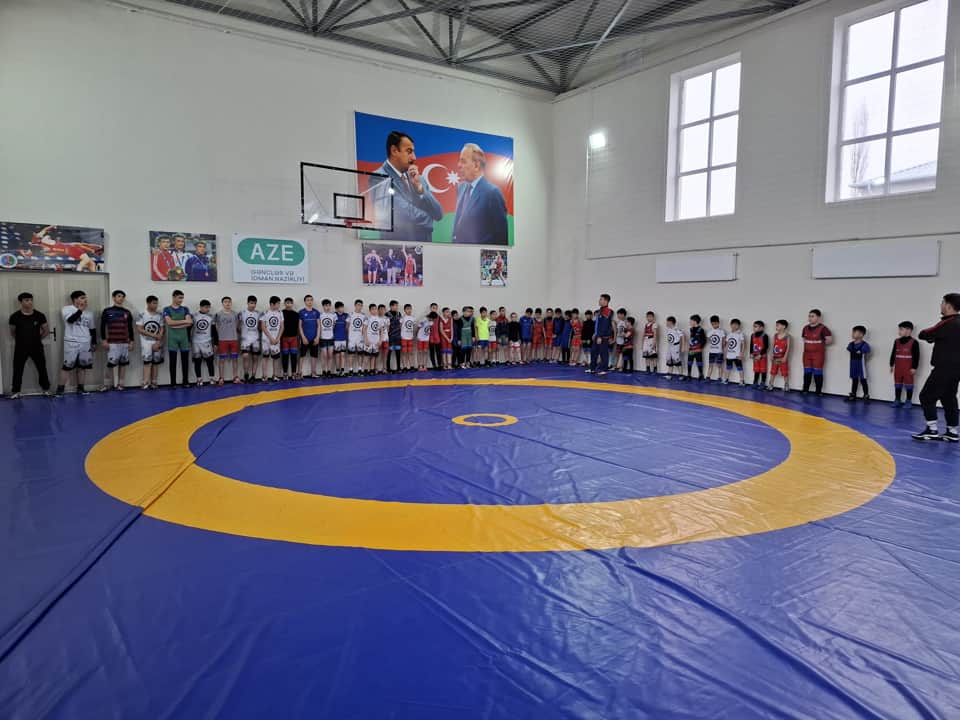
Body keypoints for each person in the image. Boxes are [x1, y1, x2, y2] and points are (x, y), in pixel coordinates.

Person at [372, 131, 443, 244]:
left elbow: (438, 214)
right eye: (409, 151)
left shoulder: (418, 179)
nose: (414, 157)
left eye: (413, 152)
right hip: (396, 248)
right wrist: (430, 218)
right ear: (394, 151)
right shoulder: (379, 177)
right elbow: (401, 211)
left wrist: (420, 189)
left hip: (426, 247)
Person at [912, 293, 960, 442]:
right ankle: (952, 431)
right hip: (956, 369)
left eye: (942, 303)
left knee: (926, 396)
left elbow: (924, 333)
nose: (941, 305)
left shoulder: (947, 322)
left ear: (948, 306)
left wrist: (933, 337)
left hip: (944, 367)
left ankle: (932, 429)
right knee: (949, 398)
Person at [451, 143, 508, 245]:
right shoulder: (461, 187)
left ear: (476, 165)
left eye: (463, 161)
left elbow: (501, 238)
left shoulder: (493, 193)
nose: (459, 165)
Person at [8, 292, 51, 398]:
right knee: (18, 369)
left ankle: (46, 389)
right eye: (27, 300)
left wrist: (37, 339)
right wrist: (21, 340)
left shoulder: (40, 315)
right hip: (21, 347)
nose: (30, 302)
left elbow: (46, 330)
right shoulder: (14, 316)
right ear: (21, 302)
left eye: (31, 300)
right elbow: (13, 332)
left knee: (42, 368)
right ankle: (16, 392)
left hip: (36, 347)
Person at [56, 290, 95, 396]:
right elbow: (70, 320)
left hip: (85, 342)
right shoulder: (67, 309)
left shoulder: (89, 313)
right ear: (75, 299)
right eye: (82, 297)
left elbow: (92, 329)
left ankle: (81, 388)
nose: (85, 300)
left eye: (85, 297)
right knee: (67, 366)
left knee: (83, 367)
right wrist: (80, 310)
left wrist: (94, 342)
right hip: (71, 342)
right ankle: (60, 390)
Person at [100, 290, 135, 391]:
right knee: (110, 364)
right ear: (113, 297)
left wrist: (132, 341)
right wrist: (104, 340)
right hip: (112, 342)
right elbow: (102, 326)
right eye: (119, 296)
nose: (121, 298)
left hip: (124, 342)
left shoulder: (127, 312)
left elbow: (130, 328)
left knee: (123, 364)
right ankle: (106, 384)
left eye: (123, 297)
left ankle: (121, 384)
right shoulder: (107, 311)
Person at [163, 289, 193, 387]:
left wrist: (175, 324)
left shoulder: (185, 309)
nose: (181, 300)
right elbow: (169, 323)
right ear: (173, 297)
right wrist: (184, 322)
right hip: (172, 338)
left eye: (182, 298)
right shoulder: (167, 309)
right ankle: (173, 383)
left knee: (185, 361)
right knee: (173, 361)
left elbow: (190, 322)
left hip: (184, 338)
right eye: (179, 298)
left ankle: (185, 381)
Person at [801, 309, 833, 395]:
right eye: (809, 316)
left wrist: (818, 345)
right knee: (807, 372)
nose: (810, 318)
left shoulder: (823, 328)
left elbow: (830, 340)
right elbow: (804, 339)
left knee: (817, 372)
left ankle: (818, 391)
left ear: (818, 317)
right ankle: (805, 389)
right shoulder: (805, 328)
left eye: (812, 316)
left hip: (818, 355)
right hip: (806, 354)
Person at [889, 321, 920, 408]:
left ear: (908, 330)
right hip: (898, 368)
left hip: (908, 368)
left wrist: (914, 367)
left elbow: (916, 356)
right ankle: (897, 400)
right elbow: (893, 353)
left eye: (901, 329)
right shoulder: (896, 341)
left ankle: (908, 401)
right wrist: (891, 364)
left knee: (909, 385)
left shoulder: (914, 342)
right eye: (899, 329)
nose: (899, 331)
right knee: (897, 384)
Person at [137, 295, 164, 389]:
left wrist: (158, 341)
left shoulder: (159, 315)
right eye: (154, 303)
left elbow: (162, 328)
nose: (156, 305)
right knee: (147, 362)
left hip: (156, 342)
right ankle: (145, 382)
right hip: (146, 342)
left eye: (156, 303)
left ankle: (154, 382)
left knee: (156, 362)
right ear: (148, 303)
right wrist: (154, 335)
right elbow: (140, 329)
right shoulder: (142, 314)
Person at [214, 296, 240, 385]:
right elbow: (216, 326)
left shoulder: (235, 314)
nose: (227, 303)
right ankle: (221, 378)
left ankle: (235, 377)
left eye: (229, 302)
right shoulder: (218, 314)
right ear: (222, 303)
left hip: (233, 339)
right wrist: (221, 334)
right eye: (225, 302)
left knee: (235, 359)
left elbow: (237, 325)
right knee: (222, 360)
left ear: (231, 303)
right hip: (222, 340)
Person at [191, 300, 216, 387]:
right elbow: (189, 328)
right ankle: (199, 379)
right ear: (201, 307)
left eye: (209, 307)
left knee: (210, 361)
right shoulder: (194, 316)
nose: (208, 309)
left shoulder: (211, 316)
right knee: (197, 361)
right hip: (196, 342)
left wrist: (216, 343)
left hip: (207, 341)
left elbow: (214, 330)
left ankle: (212, 378)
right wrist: (188, 340)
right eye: (206, 307)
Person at [588, 294, 614, 376]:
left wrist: (600, 336)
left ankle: (604, 370)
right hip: (597, 335)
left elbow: (605, 325)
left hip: (603, 337)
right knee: (593, 352)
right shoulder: (600, 311)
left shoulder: (607, 311)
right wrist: (595, 333)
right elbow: (598, 324)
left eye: (601, 299)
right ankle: (592, 368)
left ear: (606, 301)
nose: (599, 301)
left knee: (603, 353)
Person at [260, 296, 283, 382]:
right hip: (266, 339)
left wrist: (278, 338)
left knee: (276, 358)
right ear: (272, 304)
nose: (279, 305)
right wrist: (270, 338)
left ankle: (275, 375)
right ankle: (264, 376)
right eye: (278, 304)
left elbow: (282, 327)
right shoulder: (264, 313)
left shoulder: (280, 313)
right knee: (265, 357)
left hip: (276, 339)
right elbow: (263, 327)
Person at [845, 326, 871, 402]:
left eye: (854, 332)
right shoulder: (851, 344)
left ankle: (866, 395)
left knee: (863, 380)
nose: (852, 334)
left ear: (861, 334)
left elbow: (867, 353)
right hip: (853, 364)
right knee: (854, 380)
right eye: (852, 332)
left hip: (861, 365)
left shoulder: (864, 345)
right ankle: (853, 395)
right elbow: (848, 349)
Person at [239, 295, 261, 383]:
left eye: (254, 303)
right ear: (247, 303)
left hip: (255, 338)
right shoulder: (242, 313)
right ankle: (246, 375)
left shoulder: (258, 313)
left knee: (255, 357)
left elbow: (260, 326)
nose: (253, 305)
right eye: (251, 303)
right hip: (245, 339)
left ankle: (253, 376)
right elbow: (238, 326)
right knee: (245, 356)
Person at [277, 298, 300, 381]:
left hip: (294, 338)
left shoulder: (296, 314)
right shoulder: (281, 313)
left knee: (294, 356)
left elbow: (298, 327)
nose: (289, 304)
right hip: (284, 338)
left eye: (290, 303)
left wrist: (299, 337)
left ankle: (294, 373)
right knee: (285, 356)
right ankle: (285, 373)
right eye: (287, 303)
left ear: (292, 304)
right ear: (284, 304)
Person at [299, 295, 321, 379]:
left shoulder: (316, 312)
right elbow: (300, 326)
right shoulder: (301, 312)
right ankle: (300, 373)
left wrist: (317, 337)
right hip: (305, 338)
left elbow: (319, 326)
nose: (310, 302)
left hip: (314, 338)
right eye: (308, 300)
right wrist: (303, 337)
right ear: (305, 302)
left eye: (311, 300)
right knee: (302, 356)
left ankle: (313, 372)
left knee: (314, 356)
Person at [768, 320, 791, 392]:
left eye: (778, 325)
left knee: (785, 372)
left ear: (784, 326)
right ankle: (770, 385)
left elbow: (788, 348)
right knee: (773, 372)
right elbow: (772, 345)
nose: (776, 326)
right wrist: (771, 354)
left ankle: (786, 386)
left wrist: (785, 357)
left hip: (782, 358)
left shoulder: (787, 336)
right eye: (776, 325)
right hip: (775, 358)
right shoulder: (775, 335)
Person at [724, 319, 745, 386]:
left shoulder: (740, 334)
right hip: (729, 355)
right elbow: (727, 345)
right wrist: (725, 354)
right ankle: (726, 379)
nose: (734, 326)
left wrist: (741, 354)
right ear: (730, 325)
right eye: (733, 324)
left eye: (736, 325)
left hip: (737, 355)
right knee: (728, 368)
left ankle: (742, 381)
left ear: (739, 326)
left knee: (740, 368)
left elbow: (743, 344)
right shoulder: (729, 334)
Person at [318, 298, 336, 377]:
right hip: (323, 338)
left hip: (331, 337)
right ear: (323, 306)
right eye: (326, 306)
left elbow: (333, 325)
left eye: (329, 305)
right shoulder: (320, 315)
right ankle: (324, 371)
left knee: (330, 355)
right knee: (324, 355)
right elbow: (319, 326)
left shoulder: (333, 315)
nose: (327, 307)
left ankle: (329, 371)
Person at [347, 299, 366, 375]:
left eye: (361, 305)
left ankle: (360, 369)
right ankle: (350, 370)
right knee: (351, 354)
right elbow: (347, 326)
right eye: (358, 305)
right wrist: (349, 336)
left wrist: (364, 337)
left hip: (360, 338)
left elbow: (365, 328)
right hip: (352, 338)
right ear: (355, 305)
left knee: (360, 354)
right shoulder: (350, 314)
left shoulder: (364, 315)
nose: (359, 306)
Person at [686, 315, 706, 381]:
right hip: (691, 349)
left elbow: (704, 340)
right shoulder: (691, 329)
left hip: (698, 350)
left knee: (699, 362)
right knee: (689, 362)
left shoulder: (701, 330)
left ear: (695, 321)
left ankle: (701, 375)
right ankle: (689, 375)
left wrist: (701, 347)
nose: (690, 322)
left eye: (691, 321)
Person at [750, 321, 770, 389]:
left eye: (756, 326)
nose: (754, 328)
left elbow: (766, 346)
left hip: (762, 356)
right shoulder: (752, 335)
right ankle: (755, 382)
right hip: (755, 356)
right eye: (754, 326)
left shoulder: (765, 336)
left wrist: (760, 355)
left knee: (763, 370)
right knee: (756, 370)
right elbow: (751, 345)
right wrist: (751, 353)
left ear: (761, 328)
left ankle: (762, 383)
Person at [706, 315, 725, 381]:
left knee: (719, 365)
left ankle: (719, 377)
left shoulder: (721, 331)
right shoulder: (710, 331)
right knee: (710, 365)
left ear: (718, 323)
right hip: (711, 351)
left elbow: (723, 341)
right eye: (712, 324)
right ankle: (708, 377)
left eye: (715, 323)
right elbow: (708, 340)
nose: (714, 325)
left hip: (719, 351)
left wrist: (722, 350)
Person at [333, 301, 349, 376]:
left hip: (343, 338)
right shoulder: (333, 315)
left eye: (342, 307)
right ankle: (337, 370)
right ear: (336, 309)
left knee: (343, 355)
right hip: (336, 338)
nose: (341, 309)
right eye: (340, 308)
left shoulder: (346, 315)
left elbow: (347, 327)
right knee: (337, 355)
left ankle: (342, 370)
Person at [386, 300, 402, 373]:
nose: (396, 307)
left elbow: (401, 324)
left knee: (398, 353)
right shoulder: (387, 314)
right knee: (389, 353)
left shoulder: (399, 314)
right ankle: (388, 369)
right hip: (390, 336)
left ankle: (398, 368)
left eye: (397, 305)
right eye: (395, 305)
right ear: (391, 306)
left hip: (398, 336)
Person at [400, 303, 417, 371]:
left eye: (410, 309)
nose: (409, 310)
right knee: (404, 353)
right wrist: (401, 336)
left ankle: (411, 366)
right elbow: (400, 327)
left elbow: (414, 328)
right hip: (404, 337)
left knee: (410, 352)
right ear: (404, 310)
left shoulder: (413, 318)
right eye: (407, 309)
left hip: (410, 338)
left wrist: (414, 335)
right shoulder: (402, 318)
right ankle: (404, 367)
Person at [429, 302, 442, 370]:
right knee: (432, 352)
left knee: (438, 352)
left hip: (437, 337)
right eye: (433, 308)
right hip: (430, 337)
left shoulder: (439, 317)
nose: (434, 309)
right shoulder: (427, 317)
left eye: (436, 308)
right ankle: (434, 365)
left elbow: (440, 328)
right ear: (431, 308)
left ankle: (439, 365)